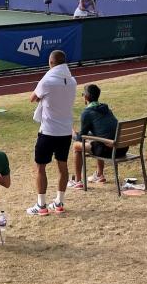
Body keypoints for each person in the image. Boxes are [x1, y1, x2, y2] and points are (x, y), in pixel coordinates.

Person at [26, 49, 77, 216]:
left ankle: (41, 206)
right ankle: (59, 202)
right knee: (62, 166)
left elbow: (32, 98)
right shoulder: (72, 81)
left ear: (51, 63)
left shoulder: (47, 81)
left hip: (48, 131)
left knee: (40, 167)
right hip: (65, 132)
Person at [68, 84, 127, 189]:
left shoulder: (87, 113)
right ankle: (99, 175)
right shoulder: (106, 109)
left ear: (86, 97)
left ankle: (77, 181)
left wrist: (71, 131)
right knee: (96, 140)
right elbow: (102, 132)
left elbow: (79, 138)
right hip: (122, 148)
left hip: (109, 150)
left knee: (76, 146)